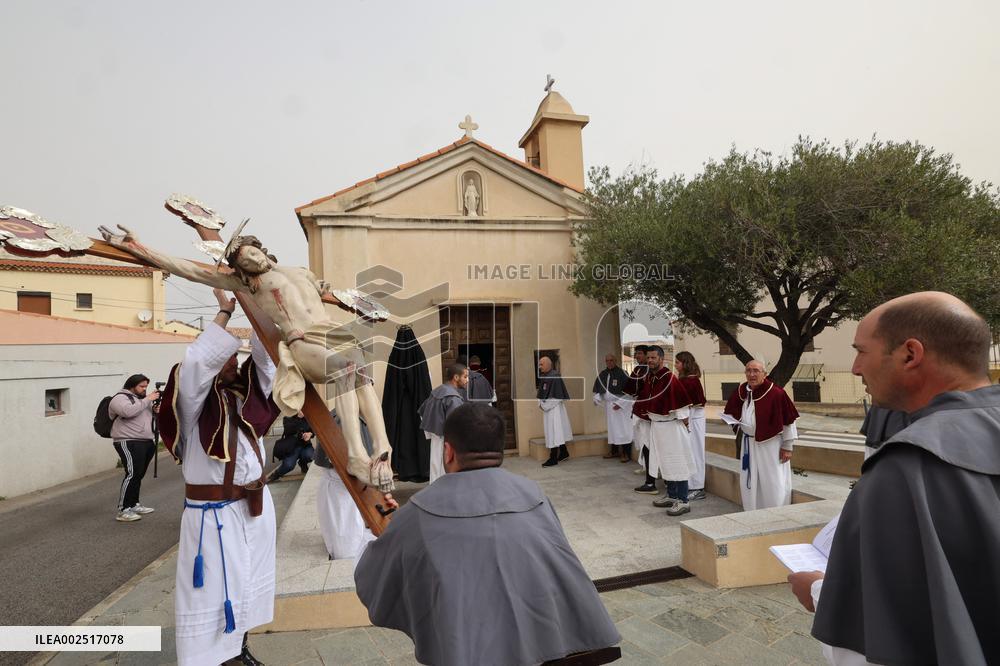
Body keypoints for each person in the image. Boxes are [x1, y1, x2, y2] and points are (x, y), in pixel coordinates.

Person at [788, 292, 1000, 666]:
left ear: (909, 354)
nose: (854, 368)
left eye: (861, 351)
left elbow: (877, 643)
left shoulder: (906, 469)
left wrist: (818, 590)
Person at [99, 224, 393, 491]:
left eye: (252, 252)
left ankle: (382, 450)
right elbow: (190, 270)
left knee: (362, 375)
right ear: (241, 270)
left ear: (260, 248)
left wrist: (328, 290)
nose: (251, 260)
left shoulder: (302, 272)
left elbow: (322, 291)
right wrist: (138, 248)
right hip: (301, 339)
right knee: (344, 370)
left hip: (331, 332)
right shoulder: (249, 285)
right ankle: (356, 455)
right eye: (244, 262)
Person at [354, 403, 621, 666]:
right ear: (500, 450)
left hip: (464, 649)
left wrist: (399, 523)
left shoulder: (419, 511)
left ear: (447, 451)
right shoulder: (532, 494)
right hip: (544, 640)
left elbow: (374, 579)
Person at [156, 289, 281, 666]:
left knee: (246, 586)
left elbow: (268, 365)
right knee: (211, 592)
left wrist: (254, 304)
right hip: (214, 516)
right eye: (225, 356)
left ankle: (238, 651)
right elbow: (195, 364)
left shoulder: (244, 400)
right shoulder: (193, 406)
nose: (231, 361)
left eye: (233, 356)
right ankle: (209, 660)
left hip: (253, 509)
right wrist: (226, 311)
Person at [723, 360, 799, 510]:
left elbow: (789, 421)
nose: (752, 374)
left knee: (772, 479)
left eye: (756, 371)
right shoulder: (742, 391)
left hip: (769, 444)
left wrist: (788, 446)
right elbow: (733, 411)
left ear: (764, 374)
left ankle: (776, 510)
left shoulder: (776, 393)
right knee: (750, 479)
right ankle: (752, 510)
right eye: (748, 371)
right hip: (748, 444)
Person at [316, 408, 376, 560]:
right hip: (340, 483)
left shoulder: (350, 414)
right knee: (345, 533)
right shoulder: (343, 418)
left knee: (346, 523)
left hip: (343, 484)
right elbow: (340, 459)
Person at [641, 346, 695, 515]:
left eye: (653, 358)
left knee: (677, 462)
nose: (650, 360)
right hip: (658, 427)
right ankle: (672, 495)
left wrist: (685, 424)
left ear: (661, 359)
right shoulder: (652, 377)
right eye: (648, 358)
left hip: (672, 426)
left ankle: (683, 501)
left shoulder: (669, 378)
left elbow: (681, 404)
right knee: (665, 462)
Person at [109, 374, 161, 522]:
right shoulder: (119, 398)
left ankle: (133, 504)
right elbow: (128, 412)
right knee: (132, 473)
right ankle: (123, 509)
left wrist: (155, 409)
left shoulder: (143, 400)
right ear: (132, 386)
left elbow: (147, 414)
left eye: (146, 386)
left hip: (146, 441)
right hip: (127, 440)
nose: (145, 389)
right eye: (142, 386)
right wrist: (148, 400)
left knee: (139, 474)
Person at [417, 363, 469, 483]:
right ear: (456, 377)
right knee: (444, 470)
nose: (467, 380)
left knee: (435, 467)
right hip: (447, 440)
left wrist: (432, 431)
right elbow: (456, 424)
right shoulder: (453, 398)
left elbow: (422, 411)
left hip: (437, 437)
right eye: (465, 377)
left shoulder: (438, 390)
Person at [675, 351, 708, 500]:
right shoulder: (686, 380)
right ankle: (688, 484)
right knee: (687, 452)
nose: (675, 365)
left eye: (677, 362)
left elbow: (696, 403)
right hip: (689, 417)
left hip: (693, 419)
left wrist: (686, 418)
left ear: (685, 363)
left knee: (695, 452)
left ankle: (697, 486)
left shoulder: (691, 381)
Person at [592, 353, 632, 462]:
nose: (609, 362)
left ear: (615, 361)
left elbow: (630, 393)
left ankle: (626, 453)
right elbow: (598, 389)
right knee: (613, 430)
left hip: (621, 407)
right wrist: (597, 397)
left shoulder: (623, 373)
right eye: (607, 361)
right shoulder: (603, 374)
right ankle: (614, 451)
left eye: (611, 360)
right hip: (609, 407)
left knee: (623, 429)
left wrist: (620, 404)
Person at [537, 355, 572, 467]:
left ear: (548, 364)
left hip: (555, 410)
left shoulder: (555, 376)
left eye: (541, 364)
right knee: (553, 431)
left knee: (554, 431)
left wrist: (544, 405)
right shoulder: (545, 376)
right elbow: (541, 393)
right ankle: (564, 452)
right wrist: (541, 403)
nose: (539, 366)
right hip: (548, 409)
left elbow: (557, 397)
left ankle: (553, 458)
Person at [266, 411, 314, 483]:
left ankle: (302, 463)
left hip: (305, 445)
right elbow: (288, 430)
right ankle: (276, 474)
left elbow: (313, 430)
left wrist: (310, 434)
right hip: (292, 447)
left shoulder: (308, 417)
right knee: (289, 465)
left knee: (310, 455)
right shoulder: (288, 417)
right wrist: (298, 418)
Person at [626, 344, 650, 475]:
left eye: (639, 353)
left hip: (646, 409)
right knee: (641, 438)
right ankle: (645, 466)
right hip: (637, 405)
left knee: (648, 439)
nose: (637, 356)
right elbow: (630, 387)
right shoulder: (637, 369)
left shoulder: (650, 370)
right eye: (636, 354)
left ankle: (652, 469)